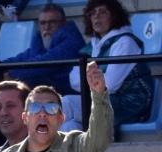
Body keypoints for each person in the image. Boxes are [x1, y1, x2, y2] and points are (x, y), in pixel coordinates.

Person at [62, 0, 154, 130]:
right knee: (69, 126)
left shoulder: (125, 42)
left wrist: (89, 80)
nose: (96, 16)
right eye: (93, 13)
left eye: (103, 12)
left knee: (66, 104)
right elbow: (74, 81)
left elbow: (110, 84)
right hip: (102, 100)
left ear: (114, 15)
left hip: (129, 104)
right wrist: (96, 80)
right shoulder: (90, 47)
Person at [0, 3, 84, 92]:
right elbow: (13, 61)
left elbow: (43, 65)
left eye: (52, 22)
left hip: (69, 94)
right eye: (43, 23)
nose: (47, 27)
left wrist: (11, 75)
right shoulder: (41, 42)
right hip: (49, 93)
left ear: (63, 23)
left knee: (18, 86)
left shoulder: (72, 42)